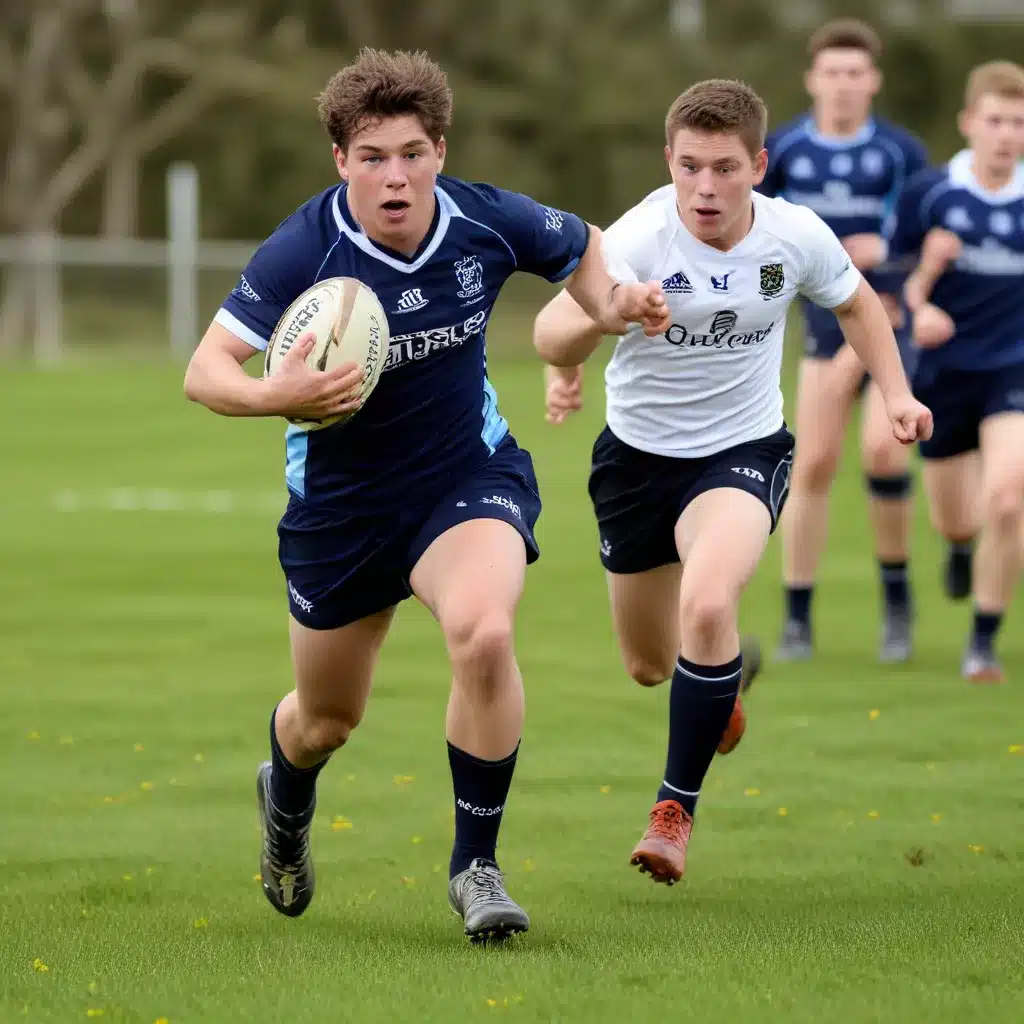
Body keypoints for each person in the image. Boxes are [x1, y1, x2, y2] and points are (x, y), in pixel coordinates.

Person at [183, 47, 668, 941]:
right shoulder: (306, 245)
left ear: (440, 150)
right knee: (325, 720)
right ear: (341, 162)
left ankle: (475, 868)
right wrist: (274, 396)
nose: (394, 177)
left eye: (412, 153)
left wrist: (611, 303)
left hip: (464, 477)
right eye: (372, 158)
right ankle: (285, 800)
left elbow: (583, 245)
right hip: (344, 512)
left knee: (482, 632)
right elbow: (205, 371)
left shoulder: (484, 220)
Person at [534, 78, 932, 885]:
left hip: (742, 451)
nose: (706, 188)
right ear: (668, 162)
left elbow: (856, 306)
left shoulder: (793, 236)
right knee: (651, 664)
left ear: (758, 163)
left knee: (709, 600)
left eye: (724, 168)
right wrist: (608, 311)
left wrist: (896, 393)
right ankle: (720, 682)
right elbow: (551, 332)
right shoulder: (641, 237)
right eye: (689, 168)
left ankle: (673, 812)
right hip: (636, 461)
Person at [758, 19, 930, 663]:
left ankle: (896, 605)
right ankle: (798, 617)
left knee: (885, 457)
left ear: (874, 81)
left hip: (888, 320)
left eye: (855, 73)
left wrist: (888, 253)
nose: (843, 85)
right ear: (812, 80)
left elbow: (931, 242)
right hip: (822, 327)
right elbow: (753, 232)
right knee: (814, 463)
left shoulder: (901, 154)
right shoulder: (785, 150)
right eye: (831, 72)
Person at [891, 60, 1024, 683]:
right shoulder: (931, 192)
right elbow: (889, 281)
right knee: (958, 517)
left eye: (1019, 123)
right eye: (996, 120)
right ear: (969, 122)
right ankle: (958, 547)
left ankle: (983, 642)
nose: (1007, 134)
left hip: (1012, 370)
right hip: (944, 374)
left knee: (1008, 497)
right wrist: (921, 302)